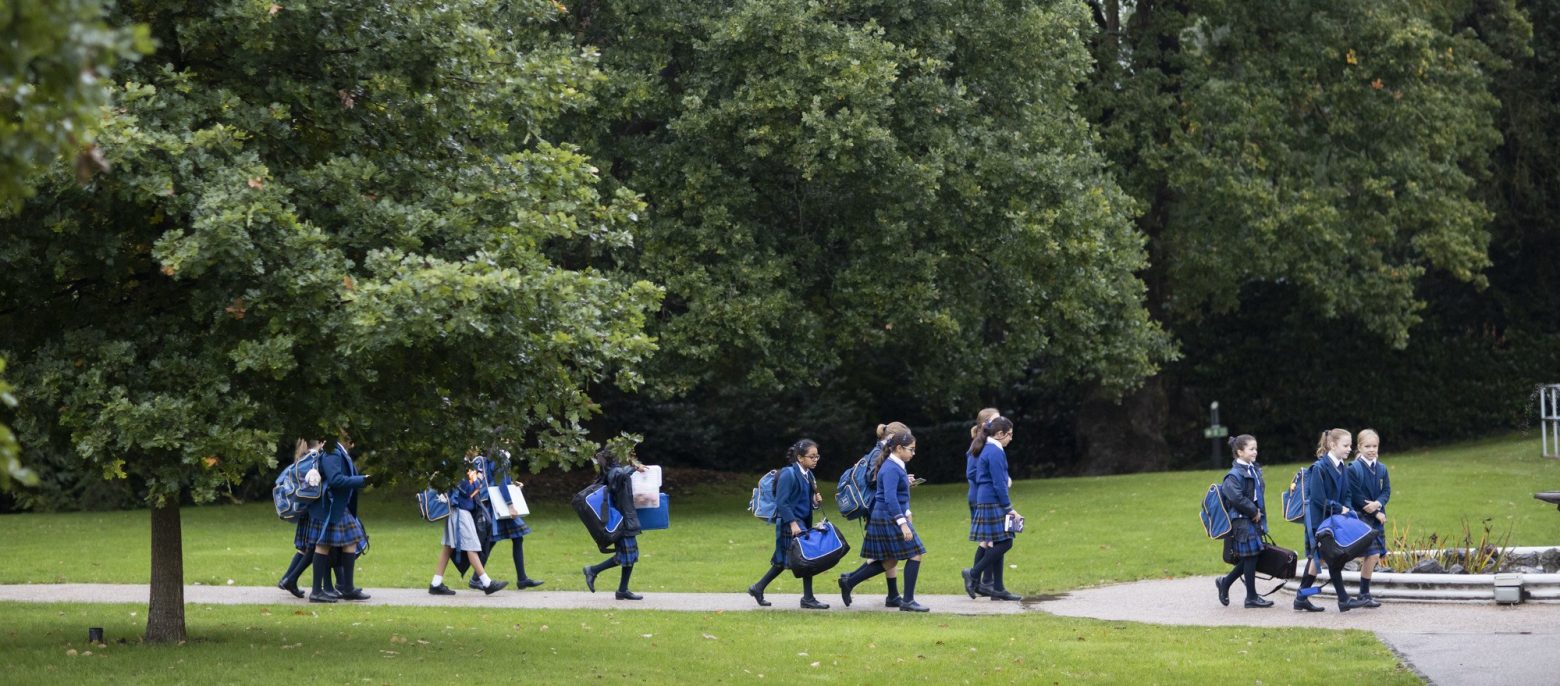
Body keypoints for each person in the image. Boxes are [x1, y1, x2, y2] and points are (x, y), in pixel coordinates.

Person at [842, 429, 929, 612]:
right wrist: (903, 522)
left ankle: (849, 581)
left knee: (890, 561)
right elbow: (890, 498)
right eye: (911, 449)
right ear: (898, 448)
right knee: (915, 553)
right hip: (887, 516)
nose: (913, 453)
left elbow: (897, 494)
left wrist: (906, 510)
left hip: (886, 516)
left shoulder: (897, 465)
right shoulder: (890, 468)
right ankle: (908, 601)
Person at [748, 439, 829, 609]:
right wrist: (793, 523)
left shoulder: (809, 474)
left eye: (817, 456)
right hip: (790, 524)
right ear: (800, 458)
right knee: (804, 559)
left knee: (789, 560)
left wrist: (814, 501)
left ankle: (758, 588)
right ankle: (807, 598)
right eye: (812, 456)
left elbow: (803, 500)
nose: (815, 459)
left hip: (802, 522)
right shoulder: (788, 474)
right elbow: (782, 503)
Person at [1294, 428, 1367, 612]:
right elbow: (1319, 499)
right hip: (1320, 521)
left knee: (1321, 558)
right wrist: (1340, 508)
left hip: (1335, 519)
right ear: (1332, 445)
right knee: (1329, 558)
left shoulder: (1342, 466)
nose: (1349, 449)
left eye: (1350, 445)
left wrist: (1348, 509)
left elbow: (1347, 493)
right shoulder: (1318, 468)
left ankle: (1302, 597)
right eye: (1345, 445)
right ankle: (1342, 600)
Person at [429, 453, 510, 596]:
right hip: (460, 511)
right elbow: (468, 490)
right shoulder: (458, 465)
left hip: (455, 510)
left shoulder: (454, 462)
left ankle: (436, 583)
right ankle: (487, 583)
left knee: (448, 547)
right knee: (471, 546)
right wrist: (479, 479)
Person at [304, 435, 371, 603]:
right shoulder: (332, 451)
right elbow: (335, 480)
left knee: (351, 542)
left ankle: (348, 588)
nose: (354, 443)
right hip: (330, 506)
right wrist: (363, 480)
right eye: (351, 437)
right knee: (323, 545)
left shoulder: (337, 451)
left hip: (338, 505)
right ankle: (316, 592)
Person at [962, 415, 1022, 601]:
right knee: (1006, 542)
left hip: (986, 499)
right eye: (1009, 435)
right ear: (999, 434)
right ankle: (972, 573)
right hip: (993, 501)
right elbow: (998, 483)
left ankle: (998, 588)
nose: (1011, 438)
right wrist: (1009, 508)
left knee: (997, 542)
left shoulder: (987, 447)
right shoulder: (995, 451)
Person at [1214, 434, 1273, 608]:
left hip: (1253, 519)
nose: (1255, 452)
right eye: (1251, 449)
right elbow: (1236, 498)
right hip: (1241, 521)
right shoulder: (1233, 475)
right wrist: (1253, 510)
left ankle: (1226, 583)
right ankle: (1251, 597)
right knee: (1251, 556)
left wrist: (1257, 513)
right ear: (1240, 452)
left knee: (1252, 557)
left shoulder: (1253, 469)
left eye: (1256, 448)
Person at [581, 448, 648, 600]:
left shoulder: (610, 471)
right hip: (621, 521)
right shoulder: (614, 472)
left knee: (630, 556)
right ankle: (592, 570)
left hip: (623, 519)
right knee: (625, 556)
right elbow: (621, 474)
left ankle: (622, 590)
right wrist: (634, 467)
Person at [475, 449, 544, 590]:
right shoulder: (501, 456)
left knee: (516, 538)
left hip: (495, 500)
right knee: (491, 541)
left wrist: (512, 484)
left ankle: (522, 579)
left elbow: (498, 478)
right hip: (499, 504)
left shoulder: (493, 455)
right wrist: (510, 505)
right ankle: (476, 578)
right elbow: (500, 482)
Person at [277, 438, 325, 598]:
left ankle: (286, 578)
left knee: (305, 547)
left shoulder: (302, 457)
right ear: (320, 442)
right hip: (312, 509)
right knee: (314, 547)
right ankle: (290, 579)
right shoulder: (314, 458)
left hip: (303, 508)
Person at [1347, 428, 1390, 608]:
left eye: (1375, 446)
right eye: (1367, 446)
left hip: (1376, 516)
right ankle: (1363, 594)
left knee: (1374, 556)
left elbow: (1386, 491)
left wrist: (1378, 504)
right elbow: (1355, 495)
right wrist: (1374, 511)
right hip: (1361, 517)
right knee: (1370, 554)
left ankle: (1363, 593)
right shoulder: (1354, 468)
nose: (1372, 450)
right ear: (1359, 447)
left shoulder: (1382, 468)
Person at [966, 408, 1001, 596]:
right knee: (991, 540)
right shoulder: (978, 445)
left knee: (990, 540)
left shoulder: (989, 444)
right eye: (996, 419)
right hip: (980, 498)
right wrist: (992, 482)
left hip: (985, 497)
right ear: (985, 424)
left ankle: (984, 582)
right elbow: (971, 473)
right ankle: (977, 579)